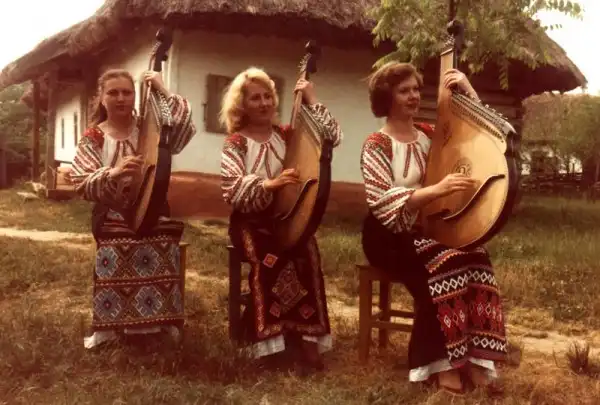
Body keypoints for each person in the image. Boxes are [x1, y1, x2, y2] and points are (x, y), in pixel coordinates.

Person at [360, 62, 506, 395]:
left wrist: (469, 90)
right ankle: (439, 366)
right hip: (388, 235)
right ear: (386, 97)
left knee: (477, 257)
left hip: (428, 229)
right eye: (404, 91)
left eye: (415, 89)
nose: (413, 96)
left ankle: (476, 358)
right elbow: (381, 201)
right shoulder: (376, 144)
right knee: (443, 266)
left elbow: (486, 132)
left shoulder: (430, 134)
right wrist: (437, 190)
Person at [220, 67, 343, 372]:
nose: (263, 103)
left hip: (288, 214)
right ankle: (270, 343)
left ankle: (308, 339)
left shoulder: (288, 135)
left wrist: (312, 100)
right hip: (251, 220)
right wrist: (268, 185)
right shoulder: (236, 142)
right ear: (241, 105)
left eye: (267, 96)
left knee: (307, 254)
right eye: (254, 98)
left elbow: (331, 137)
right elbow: (232, 188)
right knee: (271, 258)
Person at [69, 68, 196, 349]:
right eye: (113, 93)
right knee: (119, 240)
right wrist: (113, 173)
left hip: (151, 206)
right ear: (102, 98)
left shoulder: (149, 128)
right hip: (111, 210)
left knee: (163, 235)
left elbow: (184, 130)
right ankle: (110, 327)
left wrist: (163, 90)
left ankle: (159, 323)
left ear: (135, 96)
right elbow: (80, 180)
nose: (120, 98)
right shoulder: (94, 136)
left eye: (127, 92)